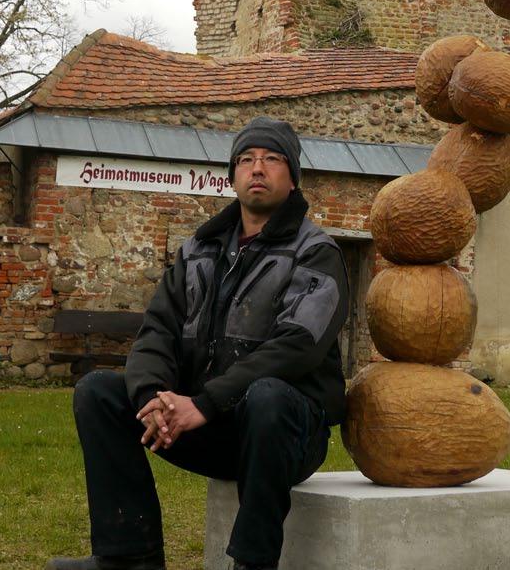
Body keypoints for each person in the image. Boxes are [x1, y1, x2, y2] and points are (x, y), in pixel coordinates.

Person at [46, 116, 349, 570]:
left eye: (271, 159)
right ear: (233, 177)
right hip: (206, 425)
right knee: (99, 393)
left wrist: (206, 403)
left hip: (283, 435)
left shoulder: (316, 253)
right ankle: (130, 557)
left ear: (292, 178)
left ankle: (252, 562)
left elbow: (296, 346)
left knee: (267, 396)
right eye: (246, 160)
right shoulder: (198, 251)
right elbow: (158, 331)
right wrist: (152, 399)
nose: (257, 169)